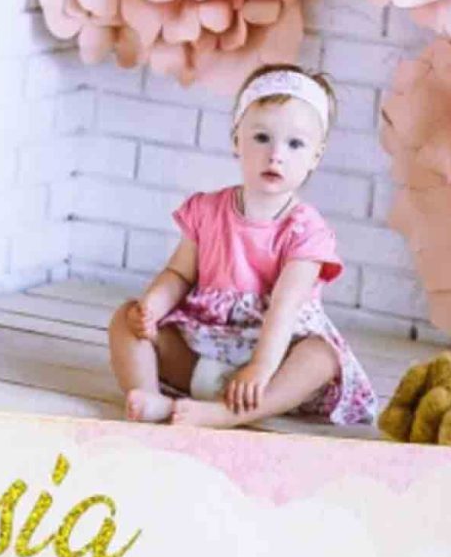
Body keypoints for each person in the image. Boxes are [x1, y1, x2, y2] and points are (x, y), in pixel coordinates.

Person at [107, 64, 376, 430]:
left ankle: (225, 414)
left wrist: (261, 367)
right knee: (125, 320)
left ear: (316, 156)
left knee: (321, 356)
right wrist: (151, 307)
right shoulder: (206, 211)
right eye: (262, 137)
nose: (276, 154)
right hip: (201, 350)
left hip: (270, 366)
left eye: (295, 144)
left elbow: (284, 307)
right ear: (237, 139)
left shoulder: (307, 231)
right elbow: (179, 274)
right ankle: (150, 396)